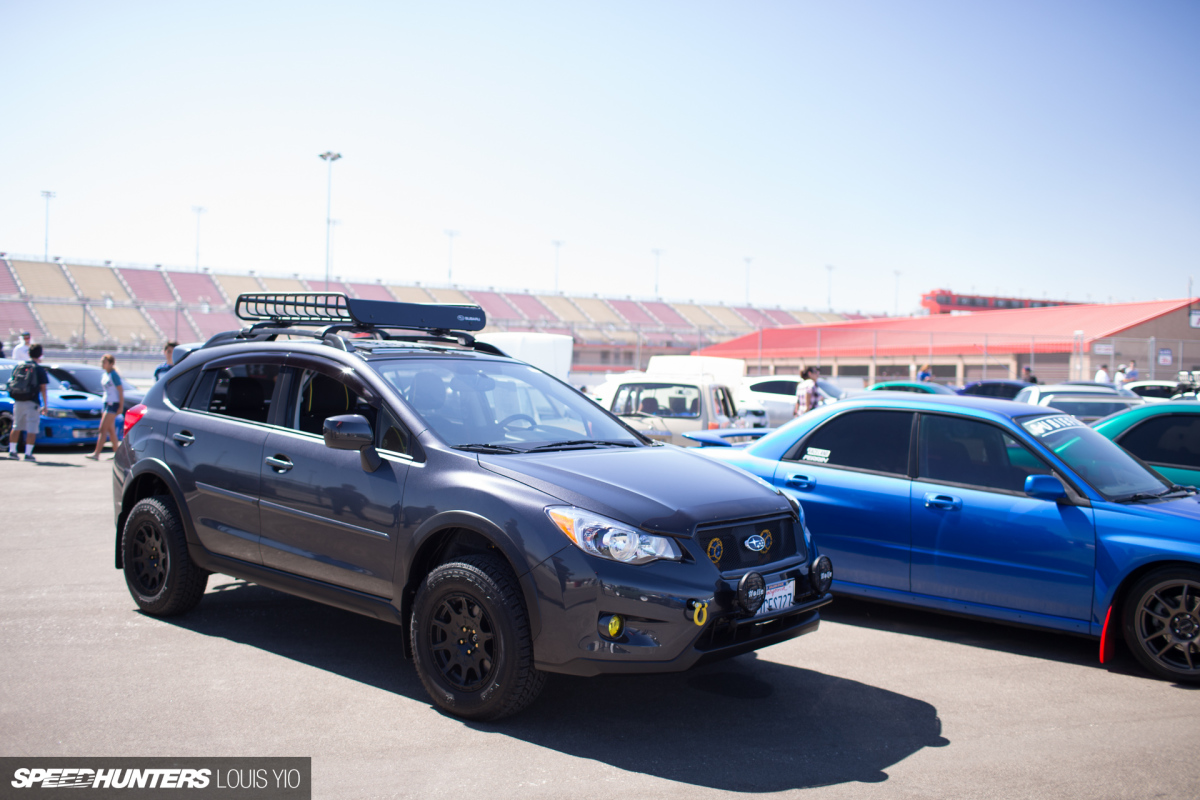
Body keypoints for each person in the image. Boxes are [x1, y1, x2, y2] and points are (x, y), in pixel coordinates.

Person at [7, 343, 48, 462]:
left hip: (18, 400)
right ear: (40, 354)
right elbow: (43, 389)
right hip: (32, 401)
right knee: (32, 428)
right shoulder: (39, 369)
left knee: (16, 426)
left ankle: (12, 451)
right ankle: (28, 453)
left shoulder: (20, 366)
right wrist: (45, 405)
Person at [87, 354, 124, 461]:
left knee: (102, 429)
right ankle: (117, 453)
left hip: (113, 404)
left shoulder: (114, 375)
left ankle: (96, 453)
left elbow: (120, 391)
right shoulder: (105, 374)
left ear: (111, 364)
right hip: (106, 403)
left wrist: (121, 406)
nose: (102, 364)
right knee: (110, 429)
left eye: (105, 362)